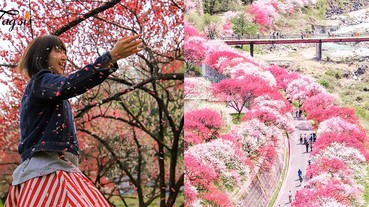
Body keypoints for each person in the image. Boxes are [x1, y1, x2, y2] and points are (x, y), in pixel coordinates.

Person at [5, 34, 143, 206]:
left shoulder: (44, 88)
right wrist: (110, 57)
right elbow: (70, 84)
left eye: (65, 52)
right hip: (46, 171)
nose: (64, 57)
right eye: (57, 51)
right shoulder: (41, 81)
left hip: (55, 167)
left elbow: (67, 86)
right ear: (41, 55)